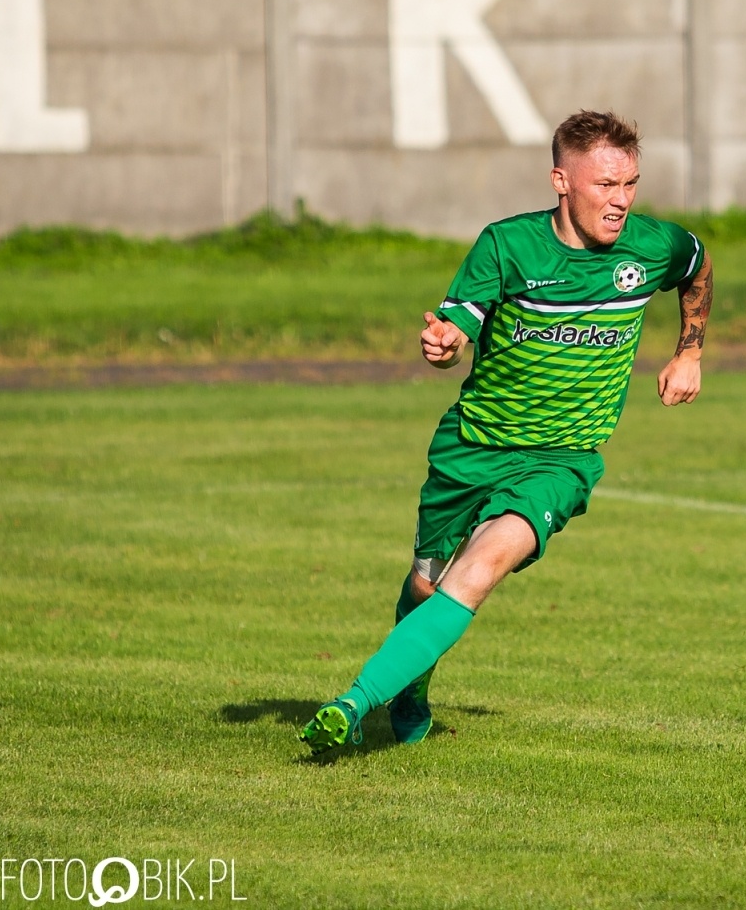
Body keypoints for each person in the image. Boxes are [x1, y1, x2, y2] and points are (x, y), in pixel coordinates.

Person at [301, 110, 713, 753]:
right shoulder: (507, 245)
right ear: (561, 181)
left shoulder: (652, 245)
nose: (621, 200)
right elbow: (458, 322)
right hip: (472, 447)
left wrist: (689, 350)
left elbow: (697, 265)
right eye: (605, 185)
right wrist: (445, 343)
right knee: (425, 584)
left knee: (483, 564)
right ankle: (409, 691)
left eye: (630, 183)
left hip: (561, 460)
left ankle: (353, 703)